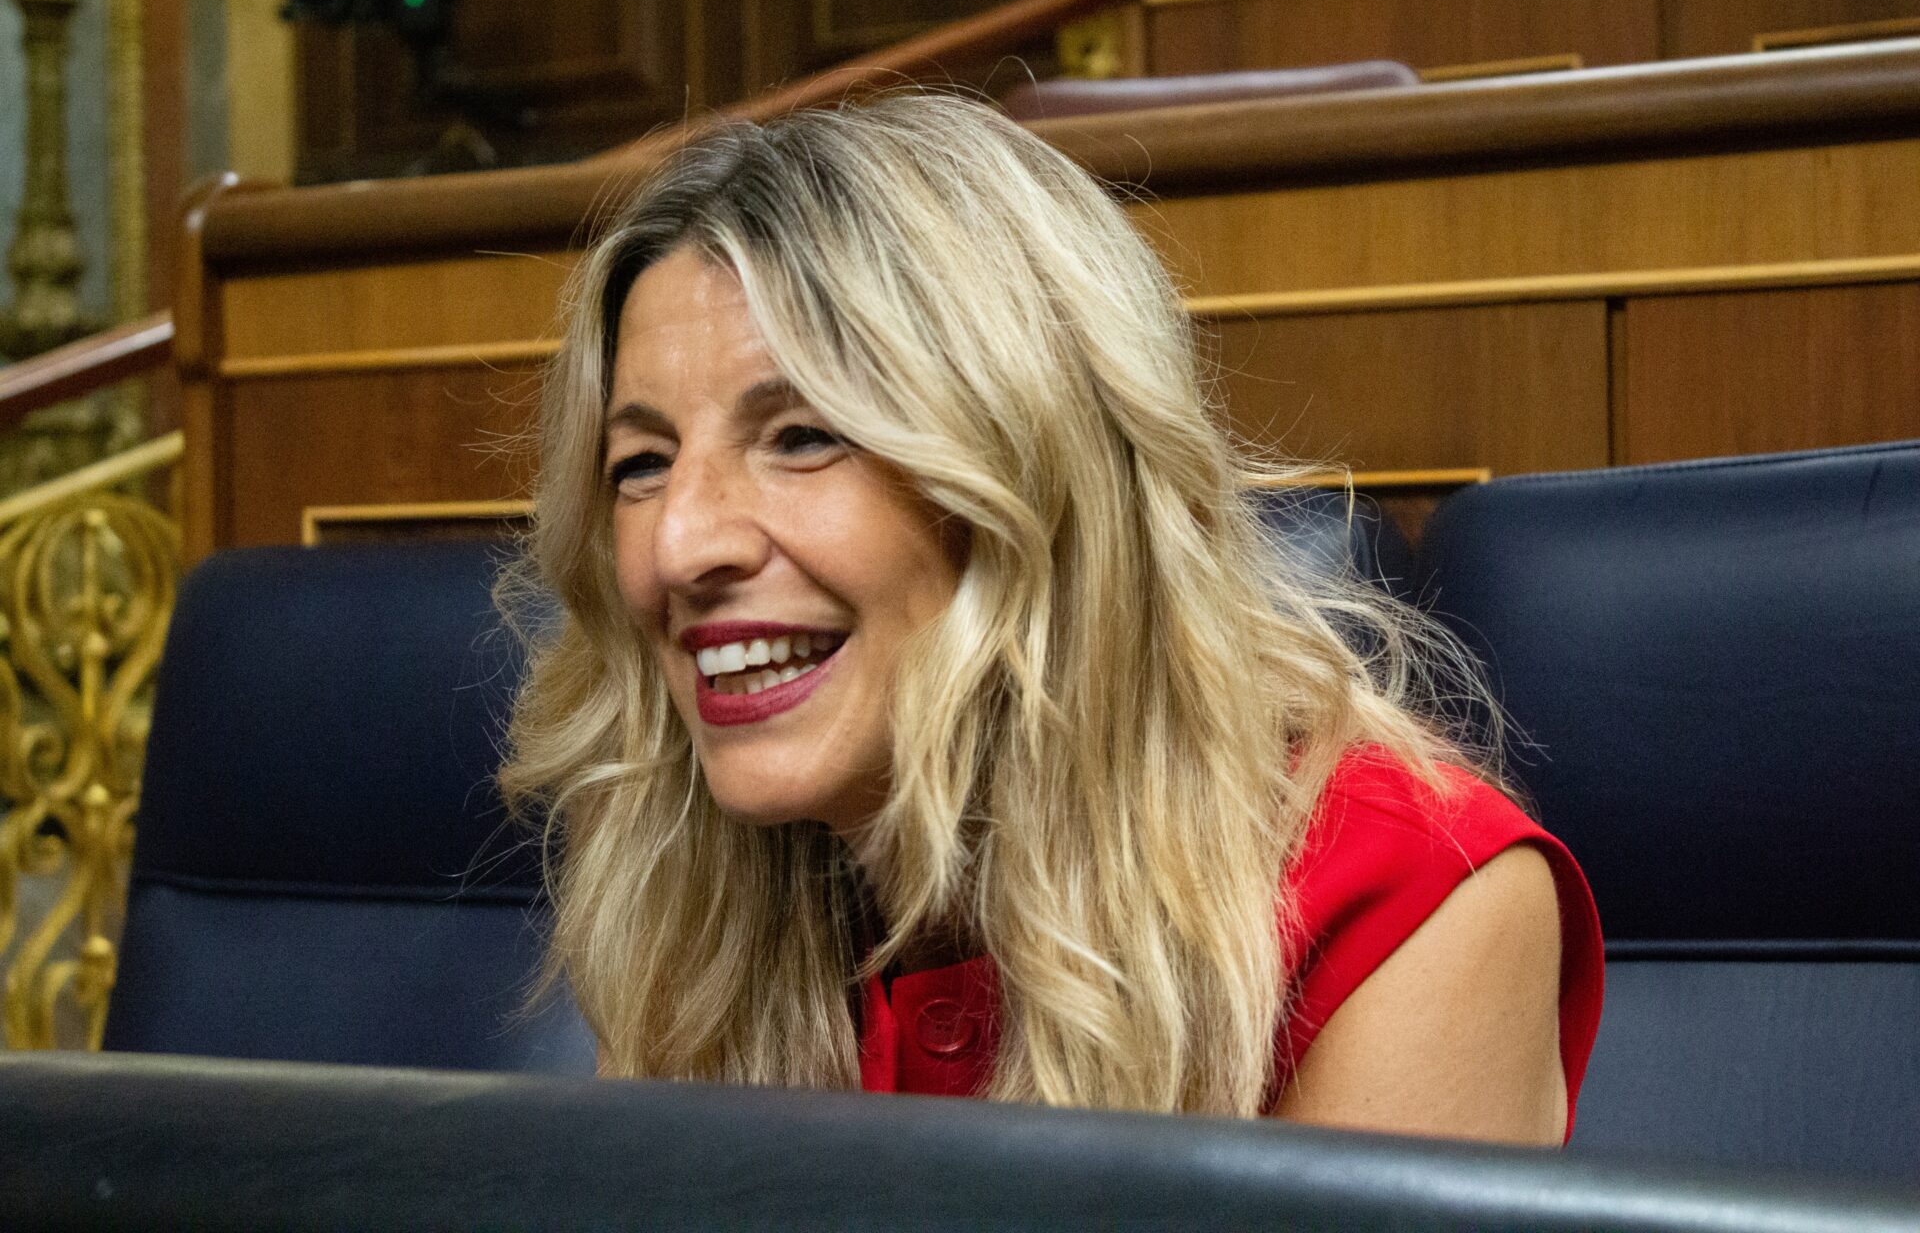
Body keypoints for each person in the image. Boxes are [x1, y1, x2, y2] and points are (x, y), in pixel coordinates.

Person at [499, 93, 1603, 1142]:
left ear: (1042, 477)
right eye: (640, 463)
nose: (680, 544)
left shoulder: (1408, 895)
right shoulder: (691, 882)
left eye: (802, 436)